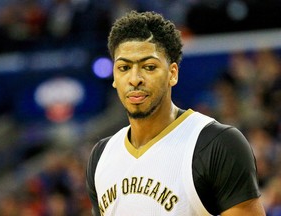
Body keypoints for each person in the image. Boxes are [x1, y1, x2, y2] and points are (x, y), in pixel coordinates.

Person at [86, 10, 266, 216]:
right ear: (115, 78)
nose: (134, 79)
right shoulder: (101, 155)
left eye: (149, 66)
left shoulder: (216, 144)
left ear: (172, 73)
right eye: (124, 67)